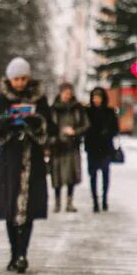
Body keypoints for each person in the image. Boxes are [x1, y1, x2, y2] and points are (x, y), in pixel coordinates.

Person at [0, 57, 54, 273]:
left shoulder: (39, 99)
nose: (20, 83)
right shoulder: (0, 101)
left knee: (29, 209)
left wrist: (37, 123)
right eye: (16, 79)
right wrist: (3, 124)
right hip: (9, 162)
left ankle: (22, 254)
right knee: (10, 208)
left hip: (33, 161)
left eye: (24, 78)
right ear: (10, 79)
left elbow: (51, 128)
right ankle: (14, 253)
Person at [49, 82, 89, 213]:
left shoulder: (77, 108)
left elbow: (86, 125)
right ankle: (57, 202)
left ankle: (69, 202)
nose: (67, 95)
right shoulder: (53, 109)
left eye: (69, 93)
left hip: (72, 145)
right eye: (65, 92)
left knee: (71, 174)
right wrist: (57, 134)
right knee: (57, 175)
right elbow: (48, 127)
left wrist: (75, 131)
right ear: (60, 93)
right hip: (57, 145)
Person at [84, 87, 120, 212]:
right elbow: (84, 128)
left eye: (98, 97)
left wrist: (107, 133)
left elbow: (115, 129)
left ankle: (104, 199)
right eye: (94, 97)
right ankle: (95, 201)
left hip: (105, 147)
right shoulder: (87, 111)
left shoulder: (109, 112)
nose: (96, 100)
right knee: (93, 175)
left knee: (105, 174)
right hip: (92, 148)